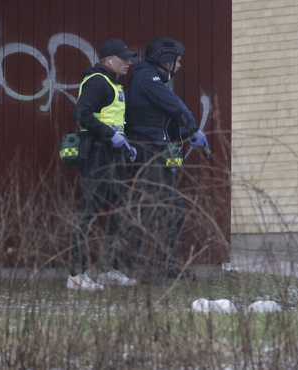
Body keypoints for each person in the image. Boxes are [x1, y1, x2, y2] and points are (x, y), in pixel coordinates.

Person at [124, 37, 209, 283]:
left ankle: (170, 266)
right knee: (148, 210)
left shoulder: (156, 81)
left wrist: (186, 135)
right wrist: (193, 127)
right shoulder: (145, 77)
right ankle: (134, 267)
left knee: (173, 211)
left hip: (158, 151)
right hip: (146, 153)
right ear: (165, 60)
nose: (180, 66)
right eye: (178, 61)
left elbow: (161, 124)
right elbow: (175, 106)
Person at [68, 39, 139, 290]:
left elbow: (112, 121)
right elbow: (81, 114)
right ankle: (76, 276)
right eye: (124, 58)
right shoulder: (98, 81)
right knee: (88, 213)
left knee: (121, 209)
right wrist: (111, 136)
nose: (129, 62)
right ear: (109, 60)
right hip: (96, 155)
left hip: (111, 155)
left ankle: (109, 269)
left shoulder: (113, 83)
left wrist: (125, 144)